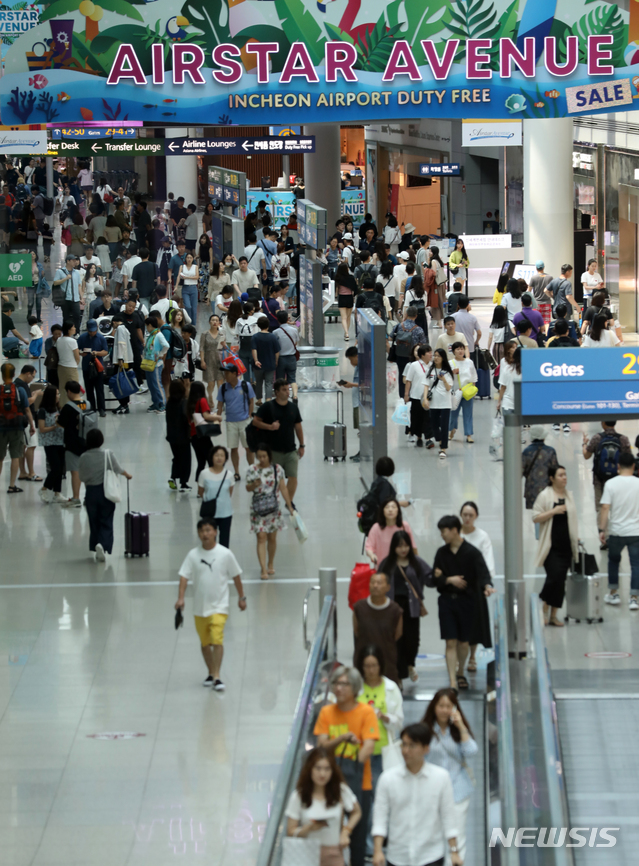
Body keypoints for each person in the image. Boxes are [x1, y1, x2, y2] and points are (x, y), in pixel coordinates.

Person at [315, 666, 379, 866]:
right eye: (336, 683)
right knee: (328, 834)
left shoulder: (366, 712)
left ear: (355, 687)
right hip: (328, 782)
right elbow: (321, 747)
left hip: (360, 782)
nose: (339, 688)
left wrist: (355, 764)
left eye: (344, 684)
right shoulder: (326, 712)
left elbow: (368, 746)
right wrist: (342, 738)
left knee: (357, 839)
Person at [372, 722, 461, 866]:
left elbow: (448, 816)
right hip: (397, 857)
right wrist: (377, 851)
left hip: (431, 856)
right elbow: (380, 817)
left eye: (412, 746)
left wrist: (454, 852)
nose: (406, 751)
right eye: (403, 745)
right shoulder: (388, 779)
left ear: (426, 749)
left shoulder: (441, 778)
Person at [175, 518, 246, 691]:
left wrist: (241, 597)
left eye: (208, 530)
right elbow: (184, 576)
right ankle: (210, 672)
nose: (205, 534)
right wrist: (181, 598)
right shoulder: (193, 555)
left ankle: (217, 676)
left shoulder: (225, 554)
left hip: (220, 606)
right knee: (205, 643)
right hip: (200, 608)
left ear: (215, 532)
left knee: (216, 639)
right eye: (202, 531)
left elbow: (236, 575)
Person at [432, 515, 494, 691]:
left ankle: (460, 672)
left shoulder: (472, 553)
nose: (442, 535)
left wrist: (487, 586)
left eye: (444, 531)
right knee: (450, 641)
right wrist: (449, 580)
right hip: (446, 602)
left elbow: (483, 574)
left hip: (467, 602)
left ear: (453, 530)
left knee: (463, 642)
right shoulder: (441, 553)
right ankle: (453, 680)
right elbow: (434, 578)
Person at [355, 645, 403, 854]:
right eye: (367, 666)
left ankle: (377, 843)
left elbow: (399, 720)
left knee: (382, 798)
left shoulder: (390, 688)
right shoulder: (356, 687)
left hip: (384, 751)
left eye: (374, 665)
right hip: (361, 751)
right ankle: (369, 844)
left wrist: (384, 717)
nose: (371, 670)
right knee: (367, 799)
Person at [423, 689, 478, 866]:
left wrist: (461, 726)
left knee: (457, 834)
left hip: (458, 790)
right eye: (441, 706)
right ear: (434, 707)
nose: (444, 710)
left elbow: (471, 751)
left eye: (448, 706)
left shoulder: (458, 730)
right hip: (432, 791)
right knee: (433, 833)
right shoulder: (426, 731)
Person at [285, 747, 362, 866]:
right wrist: (309, 828)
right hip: (306, 852)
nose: (322, 774)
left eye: (327, 769)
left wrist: (345, 832)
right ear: (310, 769)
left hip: (334, 851)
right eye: (318, 768)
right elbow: (290, 831)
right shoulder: (299, 795)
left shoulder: (340, 790)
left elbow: (356, 811)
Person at [379, 531, 431, 683]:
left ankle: (410, 664)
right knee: (396, 641)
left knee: (412, 640)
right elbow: (378, 581)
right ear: (393, 547)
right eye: (400, 546)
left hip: (411, 607)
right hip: (392, 608)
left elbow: (429, 577)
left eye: (406, 545)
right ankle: (398, 677)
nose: (403, 549)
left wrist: (440, 576)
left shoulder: (416, 562)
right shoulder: (387, 563)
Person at [533, 465, 579, 626]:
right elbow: (536, 517)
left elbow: (573, 519)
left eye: (565, 475)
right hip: (551, 547)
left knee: (560, 581)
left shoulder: (569, 496)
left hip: (566, 546)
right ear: (552, 478)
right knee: (554, 578)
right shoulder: (545, 496)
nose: (564, 478)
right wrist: (553, 511)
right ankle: (543, 605)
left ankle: (553, 615)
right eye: (560, 475)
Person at [78, 428, 131, 562]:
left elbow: (82, 477)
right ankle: (102, 544)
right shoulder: (108, 454)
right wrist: (127, 475)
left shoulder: (83, 457)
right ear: (101, 440)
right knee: (106, 520)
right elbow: (118, 469)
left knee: (93, 522)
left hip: (90, 493)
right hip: (106, 493)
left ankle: (96, 545)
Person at [245, 443, 294, 579]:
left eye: (264, 456)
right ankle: (263, 569)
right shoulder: (251, 470)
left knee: (272, 538)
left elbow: (283, 487)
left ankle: (270, 563)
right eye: (259, 456)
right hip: (258, 509)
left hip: (273, 508)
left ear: (269, 456)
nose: (261, 459)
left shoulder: (277, 469)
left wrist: (289, 505)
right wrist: (253, 485)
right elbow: (247, 488)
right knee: (261, 537)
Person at [252, 379, 304, 502]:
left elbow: (298, 427)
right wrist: (270, 427)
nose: (287, 392)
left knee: (293, 478)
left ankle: (289, 502)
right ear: (276, 392)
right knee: (273, 480)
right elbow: (255, 421)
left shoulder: (293, 408)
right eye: (284, 390)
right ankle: (272, 501)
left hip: (290, 450)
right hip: (273, 451)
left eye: (288, 389)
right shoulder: (267, 407)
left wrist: (302, 445)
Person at [599, 452, 639, 611]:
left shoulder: (611, 484)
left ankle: (614, 593)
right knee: (636, 565)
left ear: (618, 466)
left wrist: (602, 529)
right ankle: (634, 598)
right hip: (635, 532)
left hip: (616, 531)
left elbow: (605, 507)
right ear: (634, 466)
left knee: (613, 561)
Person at [583, 420, 632, 549]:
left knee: (600, 508)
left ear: (603, 423)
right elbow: (628, 459)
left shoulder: (597, 438)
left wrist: (584, 444)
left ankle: (604, 537)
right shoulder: (623, 439)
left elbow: (586, 455)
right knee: (616, 508)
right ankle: (617, 537)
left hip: (599, 479)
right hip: (617, 480)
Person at [459, 502, 495, 674]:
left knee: (474, 625)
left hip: (475, 587)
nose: (467, 518)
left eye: (470, 515)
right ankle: (460, 660)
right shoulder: (455, 534)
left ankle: (472, 657)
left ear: (476, 517)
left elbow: (487, 562)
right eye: (464, 515)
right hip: (457, 586)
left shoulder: (482, 536)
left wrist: (486, 584)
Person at [353, 572, 402, 686]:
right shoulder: (359, 608)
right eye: (373, 582)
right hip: (363, 662)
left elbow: (397, 634)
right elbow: (357, 631)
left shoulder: (395, 610)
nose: (375, 586)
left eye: (379, 583)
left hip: (387, 662)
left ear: (388, 587)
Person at [216, 363, 255, 481]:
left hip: (244, 422)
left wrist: (249, 416)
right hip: (230, 423)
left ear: (234, 374)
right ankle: (236, 472)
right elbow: (220, 406)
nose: (225, 375)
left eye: (227, 373)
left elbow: (251, 401)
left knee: (248, 448)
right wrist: (217, 420)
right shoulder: (223, 388)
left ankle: (252, 470)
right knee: (233, 448)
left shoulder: (245, 385)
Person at [0, 362, 32, 494]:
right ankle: (12, 485)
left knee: (0, 458)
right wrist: (32, 425)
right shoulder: (20, 390)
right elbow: (26, 409)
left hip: (1, 427)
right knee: (15, 456)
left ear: (2, 375)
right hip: (17, 427)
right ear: (14, 375)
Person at [56, 379, 87, 507]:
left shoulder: (68, 407)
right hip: (87, 442)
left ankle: (75, 498)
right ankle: (89, 497)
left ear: (68, 392)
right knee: (87, 470)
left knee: (75, 471)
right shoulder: (88, 404)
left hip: (72, 443)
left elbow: (60, 424)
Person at [198, 445, 235, 549]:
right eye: (216, 455)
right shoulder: (204, 474)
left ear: (225, 458)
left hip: (226, 513)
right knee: (209, 542)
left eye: (222, 455)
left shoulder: (229, 475)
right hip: (209, 513)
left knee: (224, 543)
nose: (219, 458)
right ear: (211, 457)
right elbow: (201, 492)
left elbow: (229, 493)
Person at [186, 380, 221, 485]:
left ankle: (199, 485)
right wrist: (218, 417)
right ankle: (212, 482)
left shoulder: (189, 403)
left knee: (201, 462)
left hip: (193, 435)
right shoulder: (202, 401)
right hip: (203, 435)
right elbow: (206, 416)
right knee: (211, 459)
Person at [423, 348, 454, 459]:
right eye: (435, 355)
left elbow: (448, 388)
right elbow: (426, 385)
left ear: (443, 358)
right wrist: (425, 398)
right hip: (434, 403)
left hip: (445, 403)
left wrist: (444, 379)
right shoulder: (430, 370)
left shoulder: (448, 372)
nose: (436, 358)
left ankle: (443, 449)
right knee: (434, 425)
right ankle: (440, 440)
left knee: (444, 426)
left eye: (438, 356)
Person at [37, 385, 66, 504]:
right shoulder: (42, 411)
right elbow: (42, 429)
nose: (58, 396)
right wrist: (55, 426)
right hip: (49, 443)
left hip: (60, 441)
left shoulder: (58, 409)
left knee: (60, 469)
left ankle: (57, 493)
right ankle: (44, 488)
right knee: (55, 467)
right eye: (56, 394)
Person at [389, 307, 426, 396]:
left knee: (402, 376)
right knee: (413, 377)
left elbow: (390, 337)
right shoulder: (419, 329)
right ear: (416, 316)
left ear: (406, 314)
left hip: (400, 355)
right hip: (413, 357)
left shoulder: (398, 326)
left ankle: (402, 396)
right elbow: (423, 344)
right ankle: (411, 395)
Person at [522, 425, 559, 512]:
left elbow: (521, 471)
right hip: (548, 489)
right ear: (543, 437)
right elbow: (556, 471)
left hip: (532, 489)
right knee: (548, 514)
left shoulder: (527, 452)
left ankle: (537, 526)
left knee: (537, 514)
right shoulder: (550, 451)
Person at [77, 319, 108, 417]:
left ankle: (101, 409)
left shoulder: (101, 338)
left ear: (97, 328)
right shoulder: (82, 338)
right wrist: (82, 353)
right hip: (87, 367)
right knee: (89, 389)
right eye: (90, 331)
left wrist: (97, 353)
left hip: (98, 367)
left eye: (93, 331)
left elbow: (105, 351)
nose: (92, 333)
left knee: (99, 389)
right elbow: (76, 350)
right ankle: (92, 408)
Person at [403, 344, 432, 448]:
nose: (431, 354)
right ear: (422, 355)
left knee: (428, 418)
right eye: (428, 352)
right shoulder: (414, 365)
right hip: (416, 396)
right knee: (417, 418)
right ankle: (419, 437)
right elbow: (408, 381)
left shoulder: (432, 365)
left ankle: (428, 438)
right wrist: (406, 394)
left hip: (428, 397)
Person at [165, 379, 191, 492]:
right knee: (186, 459)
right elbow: (186, 419)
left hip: (171, 436)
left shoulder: (169, 403)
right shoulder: (184, 402)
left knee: (176, 458)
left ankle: (173, 477)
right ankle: (184, 482)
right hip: (183, 436)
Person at [449, 342, 477, 444]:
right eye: (458, 349)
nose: (460, 351)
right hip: (455, 392)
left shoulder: (469, 362)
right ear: (453, 351)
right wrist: (452, 372)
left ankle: (469, 434)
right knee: (453, 413)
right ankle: (451, 429)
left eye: (462, 349)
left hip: (467, 391)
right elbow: (447, 377)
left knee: (468, 413)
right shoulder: (451, 363)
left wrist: (473, 388)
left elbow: (473, 375)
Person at [143, 317, 169, 414]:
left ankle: (163, 404)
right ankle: (156, 403)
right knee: (151, 384)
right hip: (148, 363)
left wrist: (161, 354)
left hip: (156, 364)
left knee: (157, 384)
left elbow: (166, 345)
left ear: (150, 325)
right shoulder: (151, 335)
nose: (146, 328)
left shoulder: (158, 335)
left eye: (146, 326)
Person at [251, 315, 279, 404]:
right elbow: (277, 351)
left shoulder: (255, 337)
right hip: (270, 363)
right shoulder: (273, 337)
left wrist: (256, 360)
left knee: (258, 382)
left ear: (258, 325)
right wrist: (276, 361)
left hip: (258, 365)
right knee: (269, 383)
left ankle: (259, 400)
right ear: (268, 325)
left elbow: (254, 349)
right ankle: (268, 400)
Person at [53, 254, 83, 331]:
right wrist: (65, 278)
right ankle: (66, 332)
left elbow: (79, 285)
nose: (75, 262)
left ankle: (77, 332)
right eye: (73, 260)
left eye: (75, 260)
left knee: (77, 316)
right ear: (68, 261)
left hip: (75, 299)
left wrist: (81, 297)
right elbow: (55, 282)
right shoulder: (60, 271)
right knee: (66, 317)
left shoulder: (76, 272)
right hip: (65, 298)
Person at [274, 310, 299, 399]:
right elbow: (295, 343)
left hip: (281, 358)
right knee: (292, 378)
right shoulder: (294, 330)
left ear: (278, 320)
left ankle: (281, 396)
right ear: (288, 319)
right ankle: (295, 395)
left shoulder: (275, 332)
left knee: (280, 379)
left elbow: (275, 348)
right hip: (292, 358)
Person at [56, 320, 80, 407]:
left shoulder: (59, 340)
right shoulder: (72, 341)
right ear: (69, 329)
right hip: (71, 368)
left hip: (61, 367)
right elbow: (77, 357)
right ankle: (74, 409)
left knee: (63, 390)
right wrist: (76, 364)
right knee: (74, 390)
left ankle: (63, 408)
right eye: (73, 327)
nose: (75, 328)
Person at [174, 250, 199, 325]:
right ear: (185, 259)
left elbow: (197, 277)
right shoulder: (182, 267)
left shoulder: (195, 267)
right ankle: (188, 321)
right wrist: (176, 286)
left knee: (194, 308)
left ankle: (193, 324)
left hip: (193, 288)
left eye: (190, 258)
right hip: (185, 288)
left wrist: (187, 277)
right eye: (187, 257)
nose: (189, 259)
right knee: (187, 306)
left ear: (192, 259)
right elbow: (179, 276)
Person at [496, 342, 521, 414]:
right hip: (521, 403)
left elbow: (503, 386)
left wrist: (499, 401)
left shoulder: (507, 368)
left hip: (508, 402)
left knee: (508, 424)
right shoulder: (526, 371)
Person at [529, 260, 553, 324]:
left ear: (536, 268)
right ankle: (547, 334)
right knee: (547, 322)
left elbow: (529, 290)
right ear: (544, 267)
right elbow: (552, 291)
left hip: (536, 303)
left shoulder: (533, 278)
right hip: (547, 302)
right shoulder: (550, 277)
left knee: (536, 322)